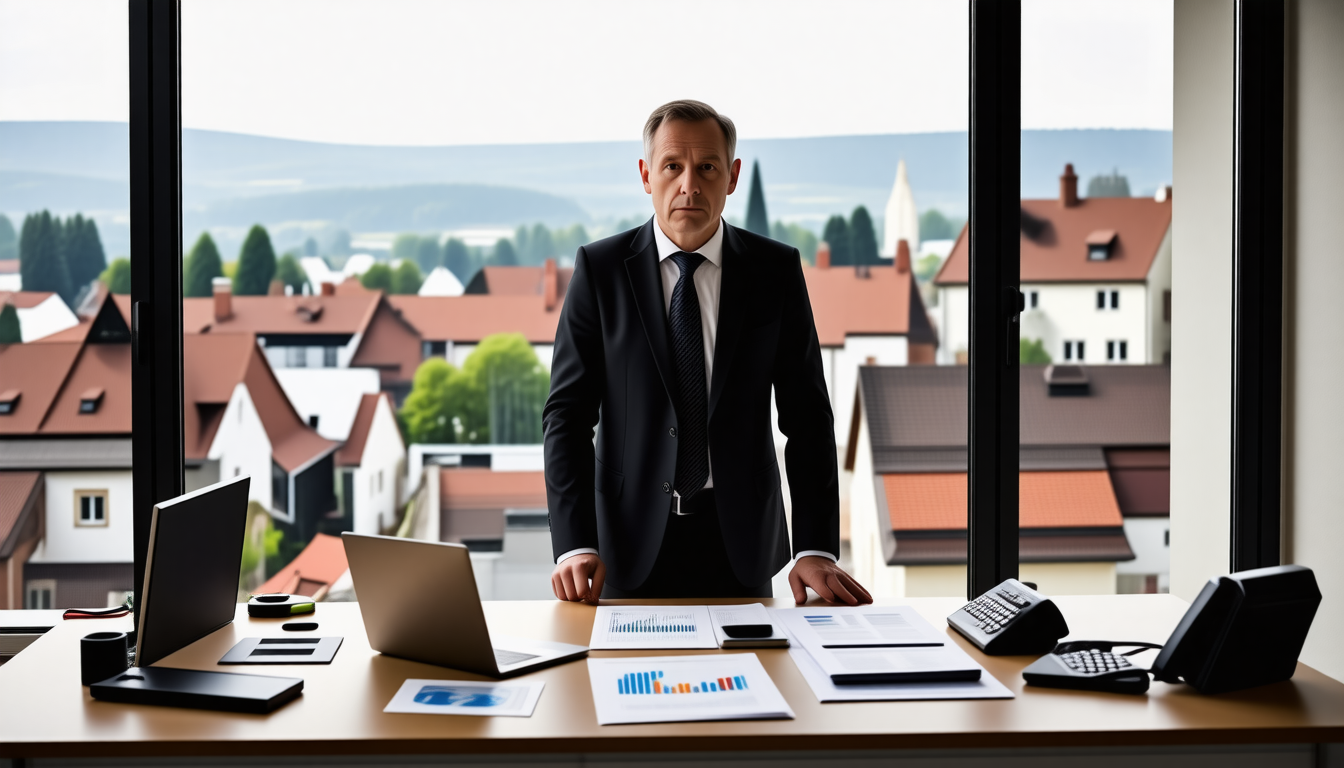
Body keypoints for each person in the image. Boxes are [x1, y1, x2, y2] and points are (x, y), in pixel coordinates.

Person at [544, 99, 872, 606]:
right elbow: (566, 416)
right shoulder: (600, 270)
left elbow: (807, 416)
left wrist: (815, 547)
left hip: (740, 548)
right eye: (672, 166)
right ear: (646, 175)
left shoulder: (774, 271)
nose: (689, 185)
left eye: (707, 167)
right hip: (622, 552)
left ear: (733, 175)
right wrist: (574, 543)